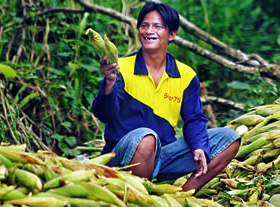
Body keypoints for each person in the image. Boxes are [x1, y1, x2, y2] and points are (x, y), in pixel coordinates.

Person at [91, 2, 240, 192]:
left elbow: (194, 119)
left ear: (172, 34)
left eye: (157, 26)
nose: (148, 31)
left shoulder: (186, 75)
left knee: (229, 138)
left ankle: (183, 196)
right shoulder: (121, 68)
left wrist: (199, 146)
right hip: (121, 156)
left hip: (163, 156)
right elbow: (104, 115)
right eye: (144, 25)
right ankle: (141, 197)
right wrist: (109, 82)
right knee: (146, 137)